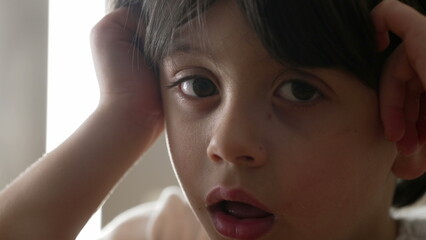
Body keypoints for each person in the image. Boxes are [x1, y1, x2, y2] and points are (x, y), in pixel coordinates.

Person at [1, 0, 426, 239]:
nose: (228, 142)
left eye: (300, 91)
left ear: (413, 126)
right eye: (199, 86)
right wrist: (123, 115)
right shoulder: (158, 235)